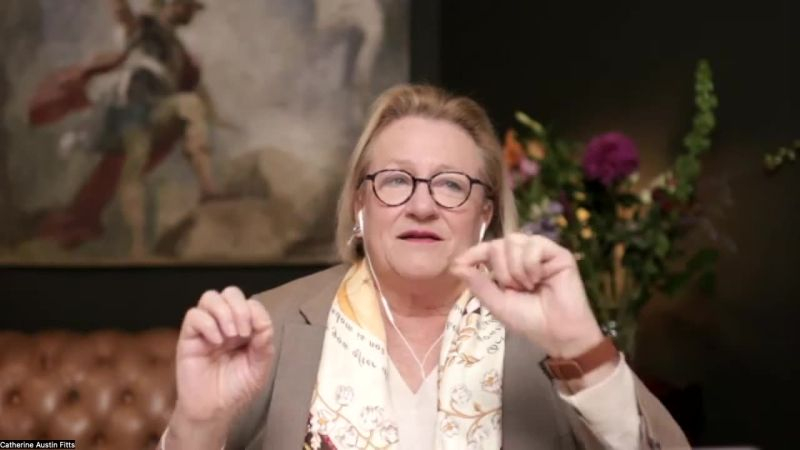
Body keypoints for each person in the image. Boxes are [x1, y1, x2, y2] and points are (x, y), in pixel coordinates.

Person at [160, 85, 689, 449]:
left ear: (485, 213)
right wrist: (196, 424)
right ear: (361, 203)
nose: (422, 205)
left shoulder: (543, 334)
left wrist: (581, 347)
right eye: (395, 180)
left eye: (451, 184)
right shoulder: (268, 325)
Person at [30, 0, 218, 256]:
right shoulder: (146, 27)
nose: (192, 13)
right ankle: (136, 245)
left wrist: (213, 115)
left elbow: (193, 88)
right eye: (188, 6)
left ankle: (208, 188)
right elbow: (123, 12)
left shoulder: (179, 52)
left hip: (158, 110)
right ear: (172, 4)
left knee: (190, 105)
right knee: (130, 171)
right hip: (132, 113)